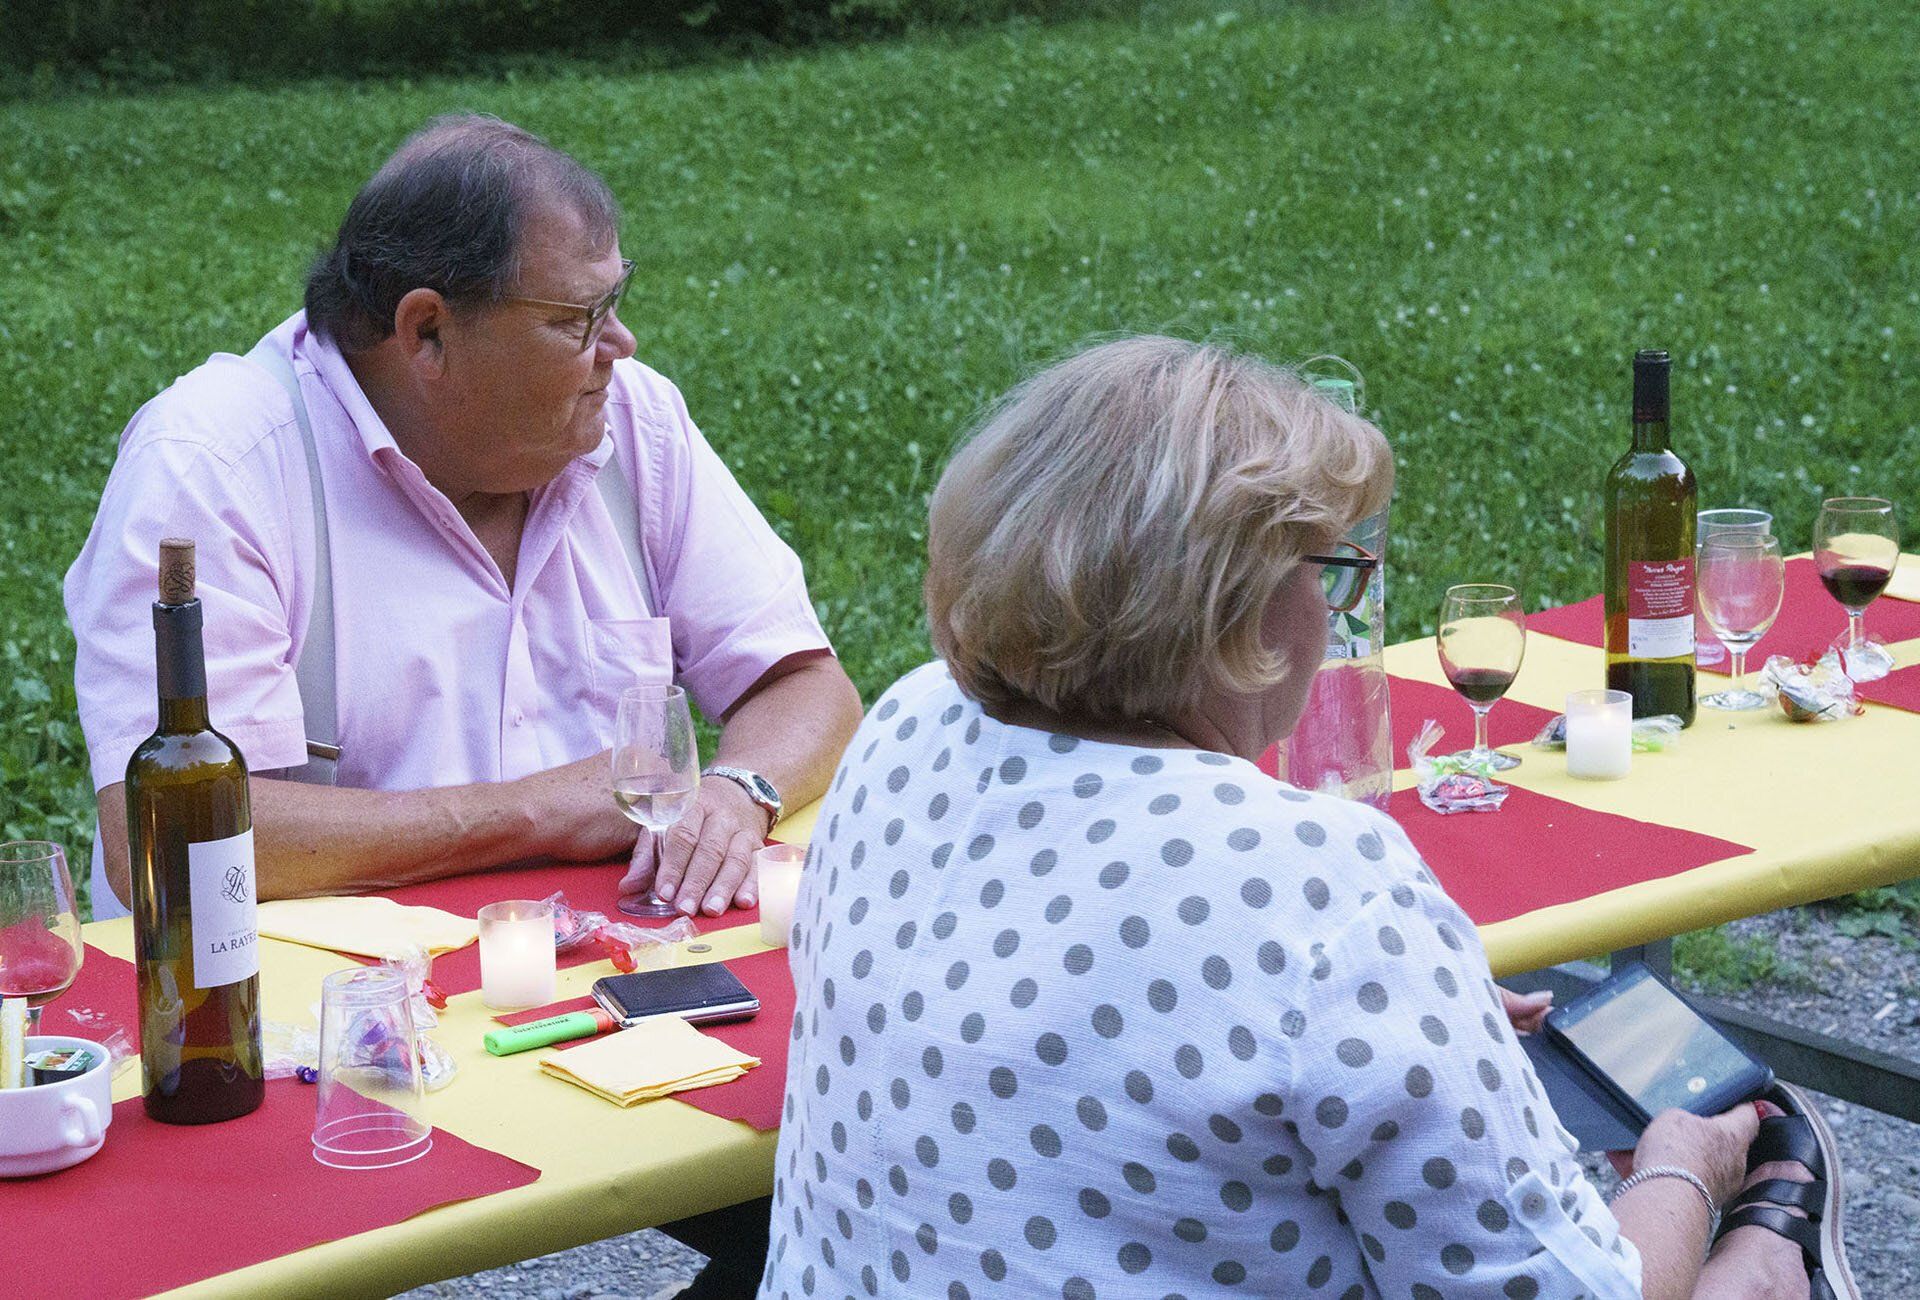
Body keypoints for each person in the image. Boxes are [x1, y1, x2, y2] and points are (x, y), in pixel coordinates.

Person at [763, 336, 1846, 1299]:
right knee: (1761, 1255)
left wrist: (1410, 1037)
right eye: (1330, 568)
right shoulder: (1314, 878)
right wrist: (1686, 1176)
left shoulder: (906, 721)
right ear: (1223, 606)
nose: (1339, 609)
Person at [65, 114, 862, 927]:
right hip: (320, 1019)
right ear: (428, 330)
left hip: (610, 977)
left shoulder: (635, 419)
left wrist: (741, 788)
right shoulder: (213, 465)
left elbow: (803, 683)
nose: (620, 343)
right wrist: (531, 811)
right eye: (577, 318)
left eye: (615, 301)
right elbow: (165, 839)